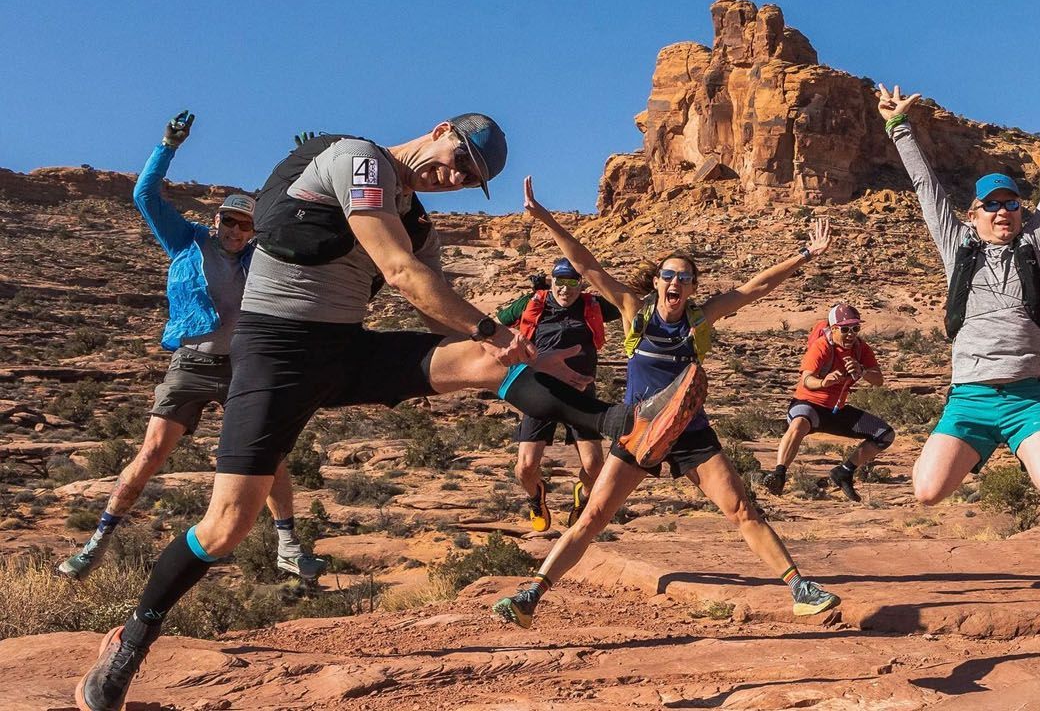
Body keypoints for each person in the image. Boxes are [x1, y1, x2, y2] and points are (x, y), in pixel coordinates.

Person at [77, 115, 643, 711]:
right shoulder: (360, 159)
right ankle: (132, 639)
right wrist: (492, 330)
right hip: (275, 353)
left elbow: (436, 319)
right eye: (458, 158)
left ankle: (620, 423)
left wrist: (508, 356)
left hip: (346, 349)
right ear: (441, 129)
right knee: (227, 526)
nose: (452, 176)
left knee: (488, 362)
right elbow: (400, 274)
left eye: (469, 178)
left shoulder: (420, 223)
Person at [492, 178, 843, 627]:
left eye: (685, 277)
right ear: (657, 282)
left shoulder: (699, 318)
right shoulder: (631, 310)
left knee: (740, 509)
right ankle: (530, 596)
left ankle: (801, 590)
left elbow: (756, 288)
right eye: (669, 275)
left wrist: (807, 255)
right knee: (594, 516)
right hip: (638, 430)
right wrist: (543, 217)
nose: (676, 282)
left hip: (690, 430)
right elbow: (586, 262)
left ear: (693, 288)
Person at [59, 112, 323, 585]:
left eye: (245, 225)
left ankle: (288, 546)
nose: (236, 232)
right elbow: (144, 196)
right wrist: (167, 145)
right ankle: (95, 544)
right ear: (216, 219)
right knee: (152, 452)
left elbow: (299, 222)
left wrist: (306, 165)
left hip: (243, 366)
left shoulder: (260, 258)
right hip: (192, 361)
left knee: (269, 456)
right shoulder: (187, 242)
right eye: (230, 222)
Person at [874, 67, 1040, 538]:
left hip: (1027, 393)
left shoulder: (1036, 241)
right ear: (973, 213)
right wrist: (899, 129)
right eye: (993, 205)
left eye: (1012, 204)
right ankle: (1021, 449)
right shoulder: (956, 243)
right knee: (927, 492)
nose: (1004, 212)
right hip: (970, 395)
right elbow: (926, 188)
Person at [495, 257, 621, 532]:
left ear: (581, 284)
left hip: (581, 394)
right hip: (539, 393)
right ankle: (536, 496)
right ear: (551, 281)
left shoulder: (593, 306)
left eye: (572, 282)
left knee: (595, 466)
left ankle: (583, 496)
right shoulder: (534, 302)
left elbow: (626, 303)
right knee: (526, 467)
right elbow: (500, 320)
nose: (566, 289)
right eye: (559, 282)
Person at [765, 304, 895, 502]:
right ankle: (779, 475)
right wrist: (824, 382)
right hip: (809, 405)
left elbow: (879, 380)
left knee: (885, 435)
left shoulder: (861, 349)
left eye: (855, 328)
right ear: (834, 329)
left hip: (836, 411)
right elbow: (807, 379)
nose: (850, 334)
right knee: (799, 423)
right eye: (844, 329)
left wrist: (863, 371)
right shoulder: (822, 347)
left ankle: (844, 472)